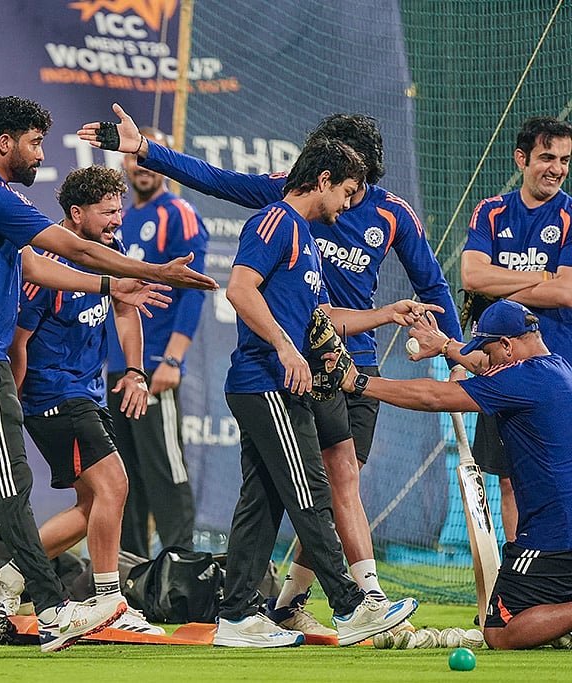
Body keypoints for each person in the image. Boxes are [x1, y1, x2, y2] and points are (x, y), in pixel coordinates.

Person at [80, 106, 461, 639]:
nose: (349, 202)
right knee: (315, 487)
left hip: (336, 363)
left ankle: (246, 611)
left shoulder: (339, 223)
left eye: (358, 190)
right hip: (278, 374)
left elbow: (326, 314)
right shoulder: (281, 216)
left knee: (273, 495)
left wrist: (399, 322)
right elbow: (232, 255)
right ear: (325, 175)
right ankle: (355, 602)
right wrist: (145, 150)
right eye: (346, 189)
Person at [0, 95, 216, 652]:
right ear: (5, 143)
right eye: (35, 143)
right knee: (13, 486)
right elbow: (66, 249)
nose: (42, 154)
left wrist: (116, 285)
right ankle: (54, 606)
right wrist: (152, 270)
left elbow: (38, 264)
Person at [0, 165, 163, 635]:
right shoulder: (45, 265)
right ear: (76, 213)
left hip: (88, 393)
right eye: (108, 212)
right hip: (51, 395)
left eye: (119, 210)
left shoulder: (112, 251)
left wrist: (135, 371)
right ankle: (110, 602)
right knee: (114, 485)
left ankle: (3, 580)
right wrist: (10, 405)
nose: (118, 219)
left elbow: (126, 309)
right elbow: (18, 342)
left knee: (92, 505)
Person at [360, 298, 572, 650]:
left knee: (500, 631)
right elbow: (486, 366)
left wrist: (357, 382)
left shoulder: (520, 379)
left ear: (507, 345)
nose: (484, 362)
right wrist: (445, 345)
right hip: (561, 529)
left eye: (488, 351)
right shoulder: (558, 368)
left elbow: (432, 396)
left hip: (554, 539)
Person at [460, 116, 572, 544]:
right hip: (502, 371)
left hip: (560, 370)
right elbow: (472, 276)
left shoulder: (570, 214)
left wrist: (499, 282)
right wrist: (543, 277)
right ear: (521, 159)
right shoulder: (491, 211)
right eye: (547, 157)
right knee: (510, 480)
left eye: (564, 160)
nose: (557, 169)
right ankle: (520, 573)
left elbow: (567, 292)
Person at [104, 127, 207, 558]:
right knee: (123, 476)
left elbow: (194, 292)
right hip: (115, 368)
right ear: (124, 163)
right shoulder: (119, 219)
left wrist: (173, 359)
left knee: (165, 469)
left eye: (148, 158)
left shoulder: (178, 214)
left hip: (153, 368)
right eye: (134, 158)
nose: (141, 166)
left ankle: (182, 566)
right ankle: (133, 571)